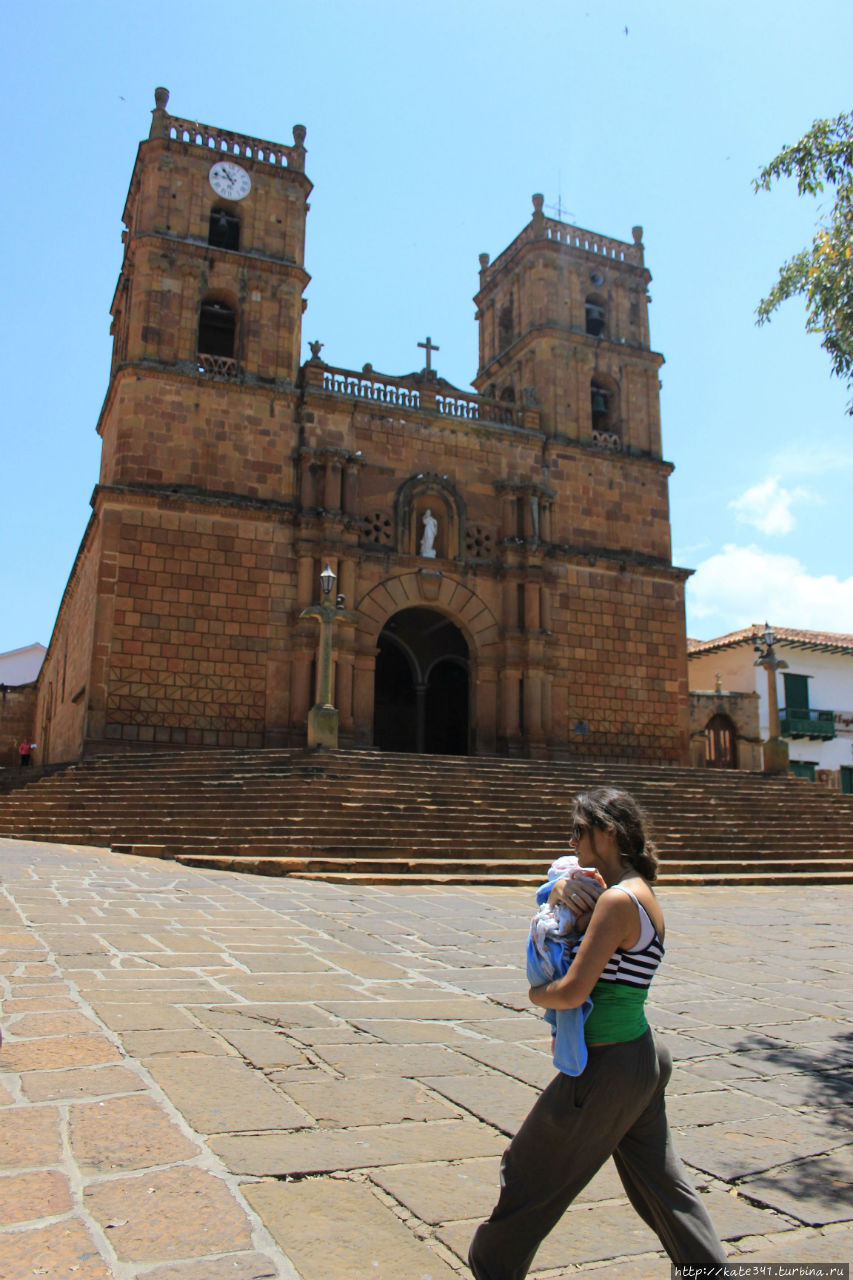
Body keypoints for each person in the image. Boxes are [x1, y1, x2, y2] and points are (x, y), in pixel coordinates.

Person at [469, 787, 727, 1280]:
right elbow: (560, 879)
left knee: (526, 1170)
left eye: (579, 831)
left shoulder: (615, 902)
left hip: (607, 1068)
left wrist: (535, 993)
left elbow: (569, 991)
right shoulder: (638, 892)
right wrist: (561, 888)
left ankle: (492, 1267)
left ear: (607, 833)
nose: (571, 840)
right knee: (663, 1189)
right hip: (643, 1057)